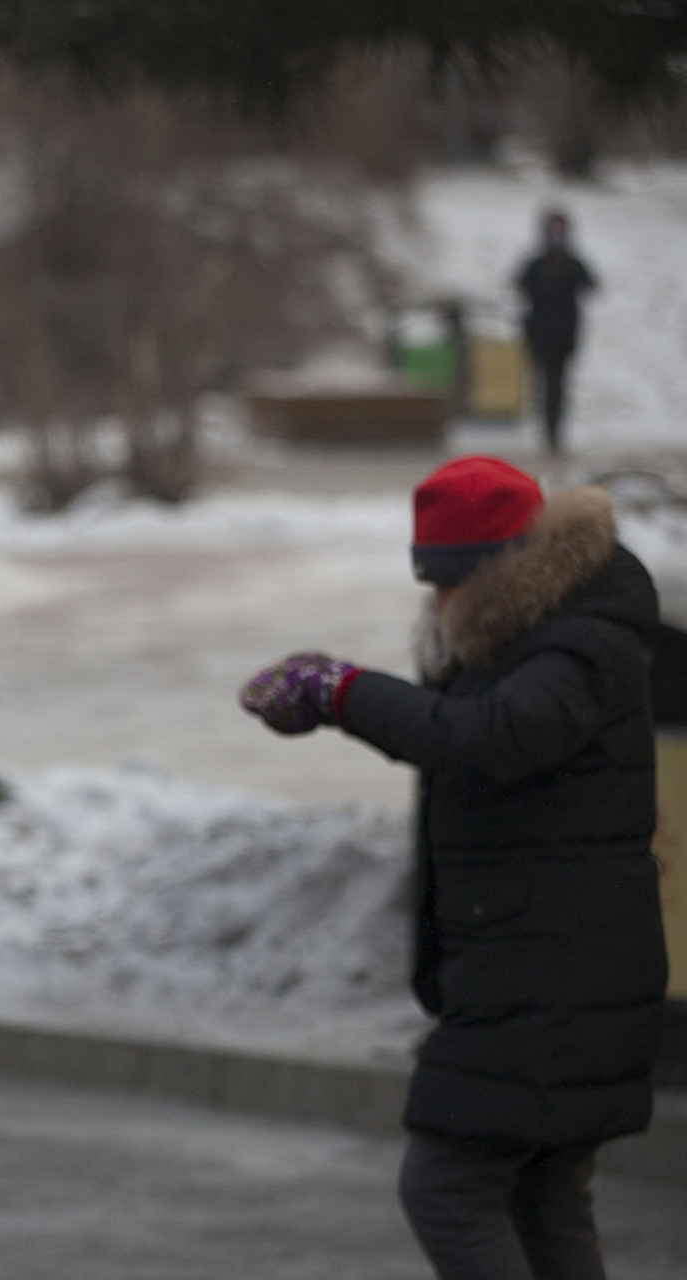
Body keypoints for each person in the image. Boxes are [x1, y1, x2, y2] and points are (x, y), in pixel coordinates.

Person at [239, 455, 668, 1280]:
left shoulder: (578, 646)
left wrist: (344, 692)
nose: (434, 603)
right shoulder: (539, 635)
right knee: (544, 1196)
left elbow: (484, 740)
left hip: (553, 981)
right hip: (549, 973)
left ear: (500, 573)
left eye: (444, 585)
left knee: (447, 1185)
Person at [514, 208, 598, 454]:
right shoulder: (537, 263)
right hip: (541, 334)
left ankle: (555, 432)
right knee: (543, 384)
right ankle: (547, 430)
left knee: (557, 385)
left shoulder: (572, 263)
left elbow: (591, 285)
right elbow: (520, 285)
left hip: (563, 335)